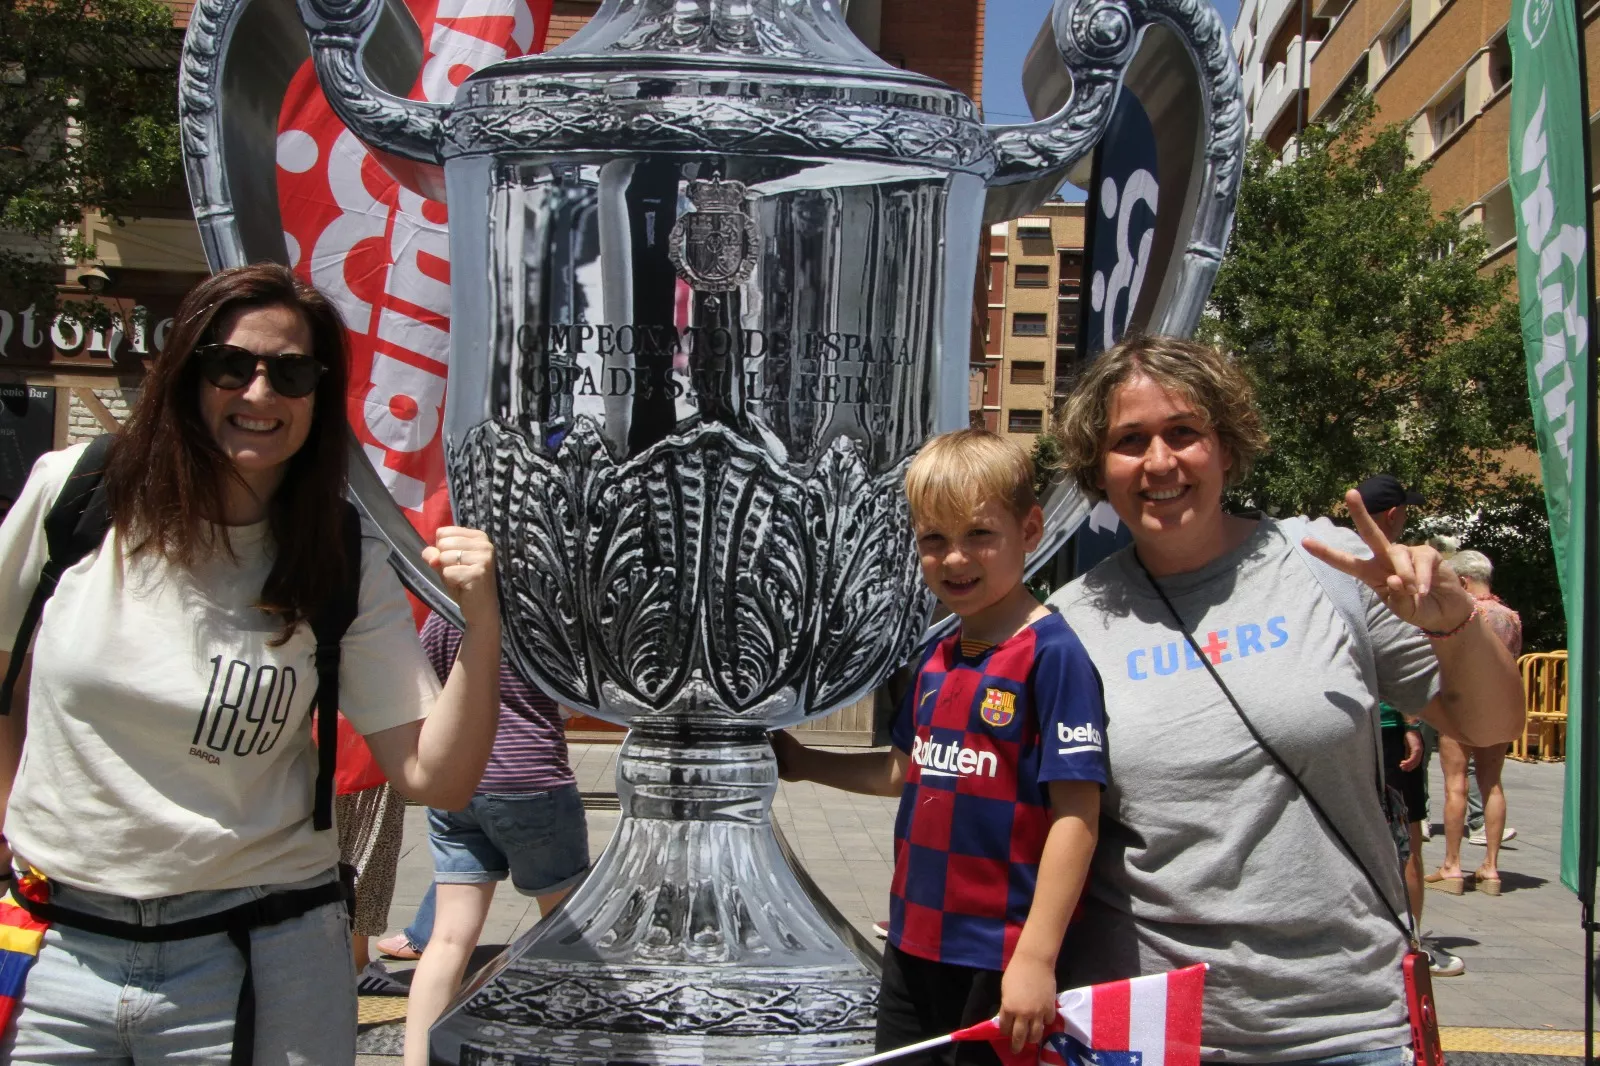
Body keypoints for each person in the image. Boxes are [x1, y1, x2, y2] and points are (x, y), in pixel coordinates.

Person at [0, 264, 503, 1065]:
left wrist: (483, 624)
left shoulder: (339, 553)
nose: (260, 393)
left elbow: (432, 777)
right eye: (231, 364)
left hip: (261, 954)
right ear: (187, 373)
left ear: (319, 393)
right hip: (57, 947)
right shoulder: (78, 495)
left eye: (292, 372)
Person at [1046, 335, 1523, 1063]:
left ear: (1227, 447)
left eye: (1184, 432)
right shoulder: (1073, 622)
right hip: (1152, 1029)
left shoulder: (1323, 565)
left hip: (1347, 1022)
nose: (1160, 462)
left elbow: (1489, 722)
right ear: (1098, 469)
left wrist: (1453, 623)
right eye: (1128, 441)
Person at [773, 429, 1105, 1064]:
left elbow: (1077, 817)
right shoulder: (935, 657)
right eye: (934, 539)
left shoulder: (1054, 656)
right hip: (913, 942)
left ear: (1030, 531)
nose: (956, 559)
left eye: (980, 534)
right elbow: (904, 772)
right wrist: (806, 763)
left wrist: (1035, 958)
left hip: (999, 955)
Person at [403, 611, 589, 1066]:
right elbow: (582, 696)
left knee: (447, 939)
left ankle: (415, 1060)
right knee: (567, 936)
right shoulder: (545, 616)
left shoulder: (446, 614)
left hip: (456, 784)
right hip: (532, 779)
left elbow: (421, 684)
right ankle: (570, 1050)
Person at [1355, 478, 1463, 976]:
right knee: (1407, 838)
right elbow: (1410, 656)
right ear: (1395, 514)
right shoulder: (1398, 565)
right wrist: (1413, 721)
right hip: (1388, 722)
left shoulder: (1332, 557)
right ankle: (1411, 949)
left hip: (1345, 723)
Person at [1426, 549, 1520, 897]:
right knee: (1492, 784)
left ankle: (1452, 865)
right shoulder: (1509, 616)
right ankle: (1491, 868)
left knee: (1455, 784)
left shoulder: (1463, 614)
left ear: (1462, 581)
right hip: (1499, 706)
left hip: (1460, 704)